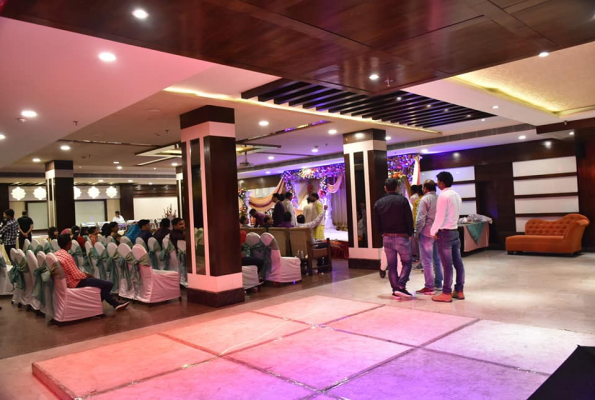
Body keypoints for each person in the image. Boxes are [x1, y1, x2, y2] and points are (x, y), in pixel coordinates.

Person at [54, 234, 129, 311]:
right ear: (69, 243)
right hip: (75, 283)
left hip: (67, 283)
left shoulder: (56, 254)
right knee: (108, 284)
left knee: (102, 284)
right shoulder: (67, 256)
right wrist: (88, 275)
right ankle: (97, 306)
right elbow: (77, 275)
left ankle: (114, 304)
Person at [373, 178, 414, 299]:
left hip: (386, 237)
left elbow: (376, 222)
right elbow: (408, 219)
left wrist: (382, 232)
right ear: (397, 187)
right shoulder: (403, 201)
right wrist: (410, 233)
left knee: (392, 266)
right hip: (402, 236)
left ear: (385, 188)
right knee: (407, 262)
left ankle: (395, 290)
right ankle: (401, 285)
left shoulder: (378, 203)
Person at [430, 171, 465, 303]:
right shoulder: (456, 195)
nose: (437, 184)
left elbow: (439, 217)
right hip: (455, 231)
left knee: (447, 265)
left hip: (445, 233)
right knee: (458, 263)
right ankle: (459, 290)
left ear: (442, 183)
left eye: (438, 181)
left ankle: (446, 293)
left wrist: (433, 231)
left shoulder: (443, 196)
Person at [414, 180, 443, 295]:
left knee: (427, 261)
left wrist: (417, 232)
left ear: (425, 188)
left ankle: (429, 286)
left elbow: (420, 218)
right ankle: (438, 284)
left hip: (427, 232)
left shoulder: (424, 199)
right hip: (438, 232)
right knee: (437, 259)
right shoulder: (440, 198)